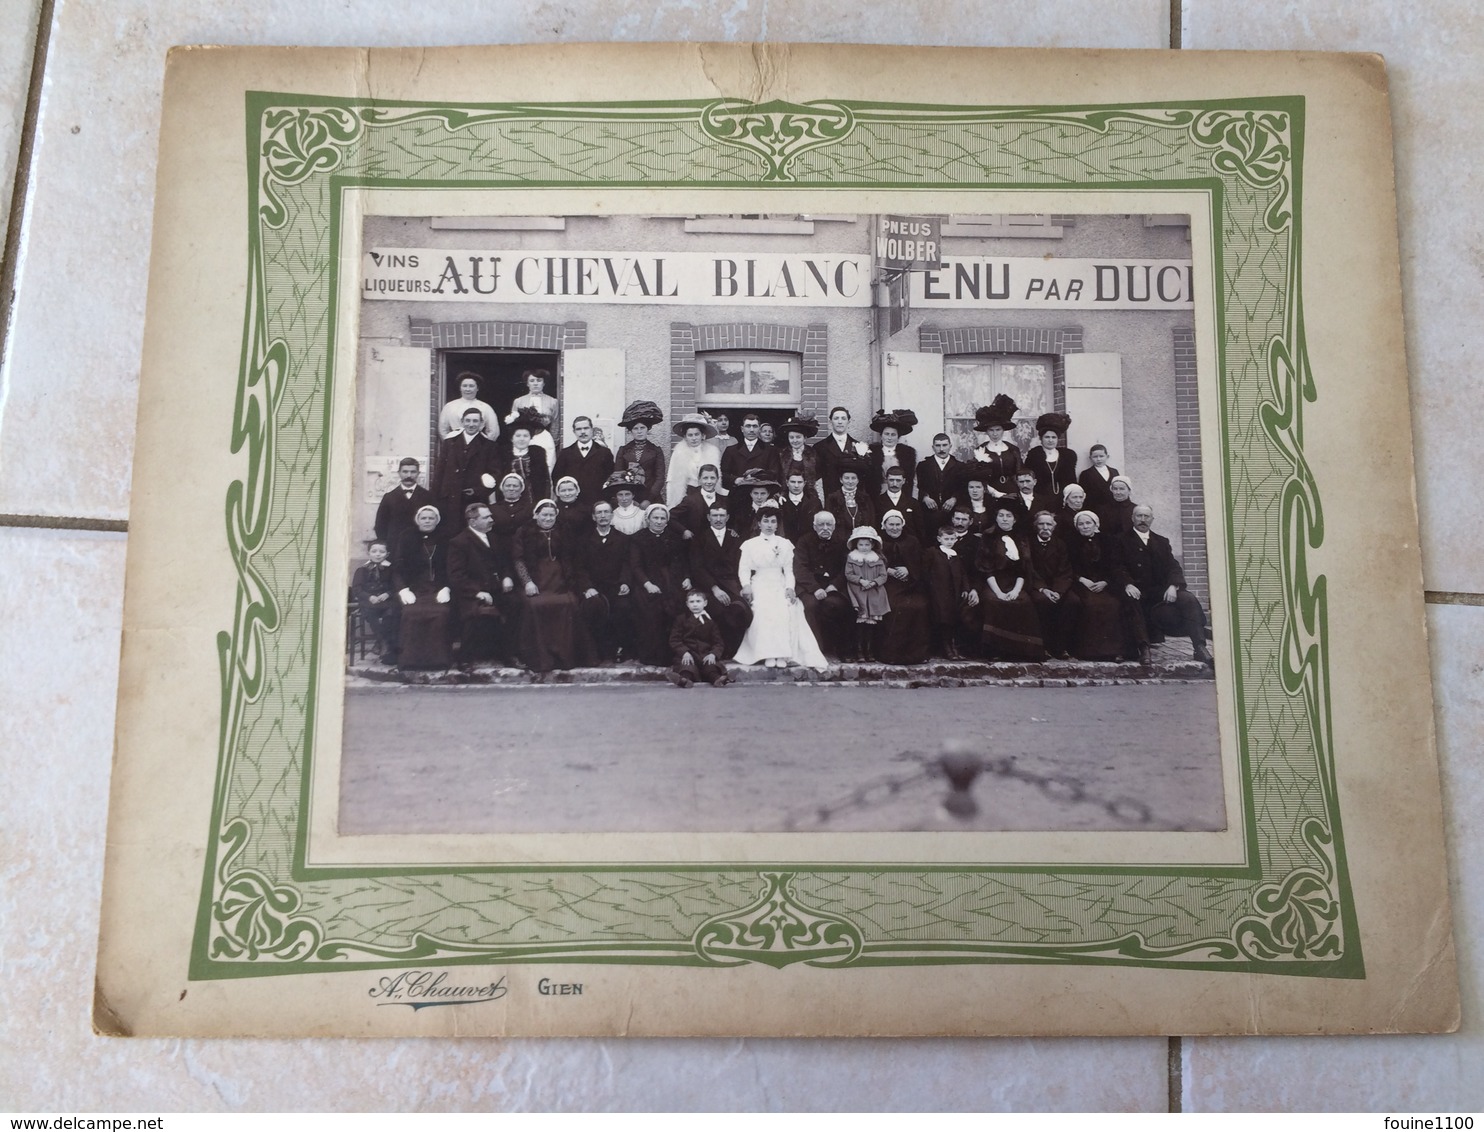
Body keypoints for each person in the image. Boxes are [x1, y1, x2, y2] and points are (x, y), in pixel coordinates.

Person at [1115, 503, 1212, 665]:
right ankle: (1144, 648)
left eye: (1146, 516)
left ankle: (1200, 648)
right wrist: (1127, 584)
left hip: (1159, 590)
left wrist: (1173, 586)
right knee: (1130, 601)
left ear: (1152, 519)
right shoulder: (1121, 540)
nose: (1143, 520)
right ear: (1132, 518)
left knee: (1188, 598)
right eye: (1139, 516)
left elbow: (1173, 567)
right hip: (1136, 590)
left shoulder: (1161, 541)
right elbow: (1117, 567)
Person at [734, 505, 827, 669]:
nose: (769, 525)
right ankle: (768, 654)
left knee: (785, 609)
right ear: (759, 524)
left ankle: (783, 653)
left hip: (780, 582)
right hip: (760, 582)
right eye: (766, 521)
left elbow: (790, 571)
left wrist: (790, 588)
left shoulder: (785, 544)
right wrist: (746, 586)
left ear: (777, 525)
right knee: (764, 609)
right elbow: (744, 569)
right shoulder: (749, 544)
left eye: (773, 522)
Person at [511, 499, 594, 672]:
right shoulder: (524, 531)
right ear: (536, 515)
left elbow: (573, 558)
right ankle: (542, 658)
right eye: (544, 515)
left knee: (569, 603)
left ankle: (564, 656)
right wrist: (527, 582)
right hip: (536, 577)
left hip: (560, 577)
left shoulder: (564, 531)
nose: (548, 518)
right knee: (535, 605)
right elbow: (518, 560)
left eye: (552, 515)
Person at [1064, 509, 1148, 663]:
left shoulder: (1108, 540)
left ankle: (1116, 651)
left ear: (1096, 525)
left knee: (1114, 604)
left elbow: (1114, 565)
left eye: (1088, 523)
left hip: (1105, 583)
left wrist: (1106, 582)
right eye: (1081, 524)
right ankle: (1091, 652)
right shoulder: (1070, 542)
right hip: (1082, 584)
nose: (1085, 526)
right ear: (1077, 527)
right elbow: (1068, 566)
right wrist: (1082, 580)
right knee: (1091, 604)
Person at [446, 502, 514, 667]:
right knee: (474, 612)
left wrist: (507, 577)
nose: (492, 520)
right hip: (470, 592)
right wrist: (478, 592)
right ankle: (465, 658)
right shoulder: (459, 542)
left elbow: (505, 563)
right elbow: (456, 576)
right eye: (487, 517)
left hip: (496, 588)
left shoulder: (494, 537)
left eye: (490, 516)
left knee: (517, 605)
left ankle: (509, 654)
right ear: (472, 521)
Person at [976, 504, 1047, 660]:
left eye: (1008, 516)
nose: (1005, 519)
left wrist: (1015, 590)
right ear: (996, 518)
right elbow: (987, 569)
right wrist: (999, 592)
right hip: (993, 582)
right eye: (1001, 515)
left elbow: (1023, 568)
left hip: (1016, 582)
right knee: (994, 602)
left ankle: (1022, 651)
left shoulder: (1021, 538)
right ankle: (996, 651)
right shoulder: (988, 536)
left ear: (1014, 520)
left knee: (1024, 601)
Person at [628, 503, 692, 666]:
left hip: (671, 579)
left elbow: (682, 561)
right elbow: (635, 566)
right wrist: (647, 584)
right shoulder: (637, 538)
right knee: (650, 608)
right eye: (655, 518)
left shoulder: (674, 538)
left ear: (667, 521)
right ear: (648, 519)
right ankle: (652, 655)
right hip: (647, 580)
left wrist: (686, 577)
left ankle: (674, 654)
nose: (658, 521)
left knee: (676, 605)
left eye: (662, 518)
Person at [688, 501, 754, 658]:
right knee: (719, 610)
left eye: (722, 515)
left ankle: (735, 651)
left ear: (727, 517)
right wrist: (714, 588)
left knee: (741, 610)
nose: (718, 519)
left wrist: (744, 586)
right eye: (715, 515)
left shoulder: (736, 537)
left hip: (732, 585)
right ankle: (719, 650)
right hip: (708, 586)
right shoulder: (700, 538)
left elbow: (742, 565)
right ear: (708, 517)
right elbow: (697, 568)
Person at [572, 499, 634, 664]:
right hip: (594, 587)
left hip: (616, 586)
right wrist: (587, 588)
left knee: (623, 607)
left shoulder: (623, 539)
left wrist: (625, 582)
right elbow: (579, 568)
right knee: (593, 606)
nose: (603, 516)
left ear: (612, 515)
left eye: (606, 512)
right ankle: (595, 650)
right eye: (599, 513)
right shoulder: (583, 540)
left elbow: (627, 564)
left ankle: (619, 648)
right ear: (593, 517)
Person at [392, 504, 453, 669]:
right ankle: (411, 661)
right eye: (423, 518)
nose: (427, 521)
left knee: (442, 613)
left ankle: (438, 661)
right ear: (417, 520)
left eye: (431, 518)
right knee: (410, 613)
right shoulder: (407, 536)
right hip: (414, 588)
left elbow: (452, 566)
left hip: (438, 588)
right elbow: (397, 567)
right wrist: (403, 589)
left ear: (437, 520)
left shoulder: (446, 537)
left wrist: (447, 587)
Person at [793, 510, 854, 660]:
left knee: (838, 605)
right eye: (821, 524)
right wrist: (815, 588)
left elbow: (846, 568)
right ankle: (816, 651)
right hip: (809, 585)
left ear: (834, 526)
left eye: (829, 524)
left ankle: (842, 650)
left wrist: (834, 585)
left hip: (833, 586)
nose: (825, 528)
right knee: (811, 606)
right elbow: (800, 568)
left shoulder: (842, 541)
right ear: (814, 526)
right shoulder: (804, 541)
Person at [875, 509, 932, 665]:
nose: (894, 528)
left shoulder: (912, 540)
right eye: (891, 524)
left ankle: (916, 654)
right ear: (884, 525)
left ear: (903, 525)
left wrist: (909, 569)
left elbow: (921, 562)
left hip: (910, 582)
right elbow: (872, 561)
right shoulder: (878, 542)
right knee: (895, 606)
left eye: (897, 524)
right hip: (886, 581)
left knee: (920, 605)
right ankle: (892, 654)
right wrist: (889, 571)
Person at [1026, 510, 1081, 660]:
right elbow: (1028, 569)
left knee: (1072, 602)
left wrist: (1058, 591)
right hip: (1036, 586)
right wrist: (1043, 589)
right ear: (1036, 526)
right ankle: (1043, 646)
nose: (1045, 527)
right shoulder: (1028, 543)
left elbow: (1065, 570)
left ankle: (1061, 647)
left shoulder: (1060, 544)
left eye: (1048, 524)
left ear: (1054, 526)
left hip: (1058, 586)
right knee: (1042, 602)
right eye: (1041, 524)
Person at [434, 407, 500, 531]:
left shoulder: (489, 446)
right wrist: (436, 498)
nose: (471, 424)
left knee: (471, 535)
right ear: (462, 422)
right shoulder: (450, 443)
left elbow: (495, 475)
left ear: (481, 424)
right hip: (450, 500)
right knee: (450, 534)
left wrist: (478, 491)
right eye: (468, 421)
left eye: (475, 421)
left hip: (473, 501)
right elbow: (439, 472)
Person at [922, 522, 977, 660]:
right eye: (946, 539)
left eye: (952, 539)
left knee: (953, 618)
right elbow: (925, 572)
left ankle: (953, 647)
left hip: (954, 592)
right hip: (938, 592)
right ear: (939, 539)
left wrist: (965, 588)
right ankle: (946, 648)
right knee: (943, 619)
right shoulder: (933, 553)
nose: (949, 542)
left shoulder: (955, 554)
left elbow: (963, 573)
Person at [844, 525, 890, 662]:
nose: (864, 547)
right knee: (860, 623)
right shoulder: (852, 558)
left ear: (872, 545)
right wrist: (861, 581)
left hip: (874, 592)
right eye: (861, 544)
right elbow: (848, 574)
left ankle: (869, 650)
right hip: (858, 591)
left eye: (867, 545)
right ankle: (859, 651)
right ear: (856, 545)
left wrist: (874, 582)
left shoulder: (877, 559)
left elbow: (883, 575)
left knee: (871, 624)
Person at [667, 590, 730, 688]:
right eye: (692, 602)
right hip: (689, 655)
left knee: (710, 668)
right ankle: (684, 680)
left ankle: (718, 679)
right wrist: (684, 652)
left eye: (698, 601)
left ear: (705, 603)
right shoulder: (681, 619)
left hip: (705, 655)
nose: (695, 605)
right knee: (687, 667)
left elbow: (718, 643)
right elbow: (675, 640)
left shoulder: (710, 621)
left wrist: (713, 654)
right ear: (687, 604)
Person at [352, 539, 399, 665]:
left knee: (391, 613)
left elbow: (396, 587)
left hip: (386, 602)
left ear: (387, 554)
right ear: (369, 553)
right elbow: (357, 589)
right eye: (374, 551)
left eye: (381, 552)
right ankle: (383, 642)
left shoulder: (391, 569)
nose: (378, 554)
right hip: (369, 602)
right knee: (370, 611)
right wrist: (369, 597)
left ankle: (382, 644)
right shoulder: (362, 570)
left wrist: (387, 594)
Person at [374, 457, 438, 548]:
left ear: (418, 473)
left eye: (413, 472)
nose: (409, 475)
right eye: (405, 472)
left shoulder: (428, 497)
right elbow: (380, 526)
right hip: (395, 546)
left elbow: (435, 523)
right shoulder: (388, 497)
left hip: (420, 546)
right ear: (399, 473)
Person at [504, 368, 558, 473]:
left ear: (544, 383)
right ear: (527, 384)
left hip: (543, 436)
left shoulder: (552, 401)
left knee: (547, 466)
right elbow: (513, 424)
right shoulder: (519, 401)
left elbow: (555, 423)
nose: (535, 384)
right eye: (532, 381)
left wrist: (554, 440)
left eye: (539, 380)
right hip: (524, 438)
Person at [552, 415, 615, 502]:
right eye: (578, 429)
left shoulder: (604, 453)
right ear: (574, 431)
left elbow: (611, 478)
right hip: (573, 504)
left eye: (586, 428)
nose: (582, 432)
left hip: (597, 502)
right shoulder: (565, 453)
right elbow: (557, 478)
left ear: (592, 430)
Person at [666, 414, 724, 507]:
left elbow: (718, 476)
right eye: (690, 435)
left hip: (707, 492)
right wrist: (670, 503)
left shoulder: (712, 451)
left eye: (697, 434)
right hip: (688, 493)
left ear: (703, 435)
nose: (694, 438)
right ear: (685, 437)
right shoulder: (679, 452)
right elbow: (671, 479)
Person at [968, 395, 1021, 498]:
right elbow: (979, 479)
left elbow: (1018, 473)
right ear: (987, 432)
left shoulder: (1013, 450)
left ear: (1003, 430)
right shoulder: (980, 450)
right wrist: (997, 494)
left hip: (1012, 491)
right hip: (991, 493)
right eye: (991, 430)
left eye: (998, 430)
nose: (995, 434)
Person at [916, 433, 966, 537]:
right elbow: (919, 486)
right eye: (938, 446)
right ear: (933, 447)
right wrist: (925, 498)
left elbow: (962, 488)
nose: (941, 449)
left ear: (950, 446)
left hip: (951, 512)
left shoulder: (959, 466)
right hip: (930, 512)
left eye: (944, 445)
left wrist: (954, 499)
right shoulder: (923, 466)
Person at [815, 406, 872, 497]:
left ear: (848, 422)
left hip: (853, 497)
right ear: (830, 422)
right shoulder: (820, 447)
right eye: (836, 418)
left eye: (843, 418)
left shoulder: (859, 446)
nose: (840, 422)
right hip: (830, 496)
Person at [613, 400, 666, 500]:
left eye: (642, 428)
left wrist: (648, 500)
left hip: (651, 498)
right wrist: (629, 498)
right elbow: (618, 477)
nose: (639, 431)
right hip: (629, 498)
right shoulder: (623, 451)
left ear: (648, 429)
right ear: (631, 431)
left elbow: (660, 479)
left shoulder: (656, 451)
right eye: (635, 428)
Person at [497, 413, 552, 503]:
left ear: (530, 438)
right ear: (512, 438)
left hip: (533, 496)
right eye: (518, 436)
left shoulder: (538, 453)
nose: (522, 439)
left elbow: (545, 479)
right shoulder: (503, 453)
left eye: (525, 436)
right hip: (510, 496)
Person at [1023, 411, 1078, 496]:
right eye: (1047, 437)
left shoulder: (1067, 456)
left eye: (1053, 437)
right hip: (1040, 497)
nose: (1050, 440)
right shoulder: (1034, 456)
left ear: (1057, 439)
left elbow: (1071, 481)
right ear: (1041, 439)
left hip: (1062, 497)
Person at [868, 409, 919, 498]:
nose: (889, 438)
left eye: (893, 435)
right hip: (878, 495)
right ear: (881, 435)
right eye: (887, 434)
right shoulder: (871, 453)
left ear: (898, 437)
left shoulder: (908, 454)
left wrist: (913, 501)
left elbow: (913, 481)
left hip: (902, 496)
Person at [720, 412, 778, 490]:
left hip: (761, 495)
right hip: (738, 495)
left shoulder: (771, 450)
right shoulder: (731, 450)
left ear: (759, 429)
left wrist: (756, 476)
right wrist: (735, 480)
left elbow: (774, 473)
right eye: (748, 426)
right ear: (742, 429)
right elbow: (723, 474)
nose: (751, 430)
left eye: (754, 426)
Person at [672, 463, 729, 539]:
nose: (709, 482)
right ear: (699, 479)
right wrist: (684, 531)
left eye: (712, 478)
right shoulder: (690, 500)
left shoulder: (724, 500)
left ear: (717, 479)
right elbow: (671, 516)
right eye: (705, 478)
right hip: (695, 544)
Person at [776, 413, 824, 502]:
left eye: (798, 437)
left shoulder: (813, 454)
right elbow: (778, 476)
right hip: (786, 496)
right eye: (791, 437)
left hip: (809, 496)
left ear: (805, 438)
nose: (794, 440)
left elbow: (819, 476)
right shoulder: (782, 454)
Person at [438, 373, 499, 440]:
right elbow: (443, 429)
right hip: (455, 445)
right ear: (460, 388)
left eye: (471, 386)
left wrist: (484, 445)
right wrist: (450, 444)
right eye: (464, 386)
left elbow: (493, 430)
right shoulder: (449, 406)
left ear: (477, 388)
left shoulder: (485, 407)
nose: (468, 389)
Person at [1006, 468, 1058, 535]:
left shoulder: (1045, 501)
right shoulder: (1010, 499)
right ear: (1017, 483)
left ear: (1035, 482)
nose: (1025, 485)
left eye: (1028, 481)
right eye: (1021, 482)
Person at [824, 465, 874, 534]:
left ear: (858, 480)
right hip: (839, 540)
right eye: (847, 478)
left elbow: (871, 521)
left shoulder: (865, 498)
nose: (850, 481)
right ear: (841, 480)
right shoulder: (832, 498)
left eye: (853, 478)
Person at [874, 466, 920, 537]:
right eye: (891, 480)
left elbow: (919, 528)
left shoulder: (913, 502)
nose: (895, 484)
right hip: (885, 543)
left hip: (907, 544)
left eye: (898, 480)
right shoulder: (876, 502)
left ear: (904, 481)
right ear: (886, 480)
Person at [1078, 444, 1121, 518]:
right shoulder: (1086, 474)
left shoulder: (1114, 472)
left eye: (1101, 456)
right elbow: (1083, 495)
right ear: (1090, 458)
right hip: (1095, 510)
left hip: (1114, 509)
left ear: (1107, 457)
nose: (1098, 459)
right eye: (1095, 457)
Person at [602, 468, 649, 535]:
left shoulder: (642, 514)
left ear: (633, 495)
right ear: (616, 497)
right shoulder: (612, 516)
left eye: (627, 494)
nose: (624, 498)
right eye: (620, 495)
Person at [778, 471, 822, 542]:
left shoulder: (815, 503)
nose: (796, 485)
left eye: (799, 482)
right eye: (793, 482)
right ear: (787, 483)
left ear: (804, 483)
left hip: (808, 545)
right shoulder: (780, 502)